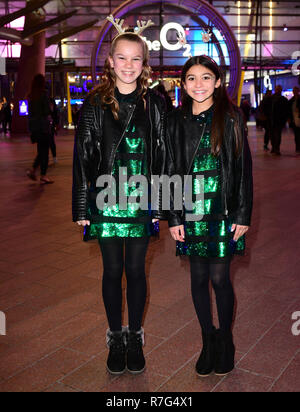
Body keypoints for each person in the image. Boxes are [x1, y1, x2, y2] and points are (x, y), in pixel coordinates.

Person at [72, 21, 166, 376]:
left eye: (136, 59)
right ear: (110, 61)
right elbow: (83, 156)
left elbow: (164, 155)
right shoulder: (95, 104)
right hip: (106, 199)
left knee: (136, 270)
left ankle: (135, 337)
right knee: (112, 270)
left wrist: (163, 203)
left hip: (142, 199)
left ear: (144, 64)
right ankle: (115, 335)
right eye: (122, 58)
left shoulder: (155, 104)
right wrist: (82, 206)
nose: (129, 65)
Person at [165, 55, 253, 377]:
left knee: (219, 278)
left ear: (217, 81)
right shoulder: (174, 121)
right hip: (190, 210)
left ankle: (226, 340)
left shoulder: (230, 117)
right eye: (191, 78)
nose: (198, 84)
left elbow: (243, 170)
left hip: (223, 211)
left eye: (205, 77)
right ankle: (207, 339)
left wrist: (243, 212)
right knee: (197, 279)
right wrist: (173, 217)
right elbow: (170, 170)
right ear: (183, 84)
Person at [26, 74, 54, 184]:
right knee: (45, 151)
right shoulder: (43, 95)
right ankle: (43, 175)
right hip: (44, 127)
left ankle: (33, 171)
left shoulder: (31, 96)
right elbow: (47, 111)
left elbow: (31, 113)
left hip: (35, 127)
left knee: (41, 150)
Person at [269, 85, 289, 155]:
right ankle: (274, 147)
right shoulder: (271, 98)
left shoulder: (283, 99)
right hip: (271, 120)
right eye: (277, 89)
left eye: (279, 89)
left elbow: (286, 111)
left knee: (277, 134)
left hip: (278, 120)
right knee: (272, 135)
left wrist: (284, 119)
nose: (278, 91)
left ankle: (276, 148)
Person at [288, 86, 300, 153]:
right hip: (294, 119)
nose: (295, 92)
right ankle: (297, 147)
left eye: (296, 91)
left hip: (298, 117)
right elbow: (289, 111)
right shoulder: (291, 101)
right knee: (296, 134)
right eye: (294, 91)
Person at [49, 98, 59, 163]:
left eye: (52, 104)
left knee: (52, 143)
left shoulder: (54, 111)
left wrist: (56, 127)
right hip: (45, 128)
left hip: (51, 128)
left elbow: (56, 119)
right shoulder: (46, 111)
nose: (51, 106)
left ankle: (54, 156)